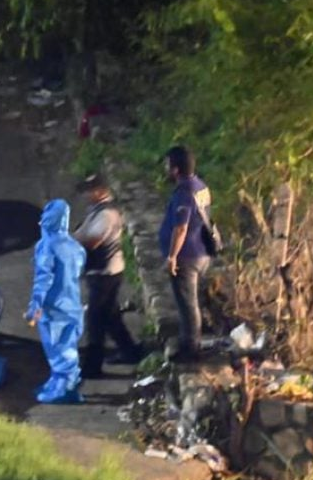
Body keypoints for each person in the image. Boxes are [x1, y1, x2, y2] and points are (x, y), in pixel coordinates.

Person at [73, 174, 143, 377]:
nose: (86, 194)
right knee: (110, 316)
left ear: (100, 191)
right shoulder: (98, 211)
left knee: (95, 320)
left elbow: (93, 241)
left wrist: (69, 242)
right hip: (107, 271)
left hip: (104, 273)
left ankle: (92, 366)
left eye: (89, 190)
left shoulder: (106, 215)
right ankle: (130, 351)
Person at [26, 199, 87, 403]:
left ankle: (63, 389)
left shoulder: (47, 246)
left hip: (53, 307)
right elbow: (78, 270)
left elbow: (44, 277)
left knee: (57, 349)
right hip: (73, 305)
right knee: (68, 346)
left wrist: (35, 304)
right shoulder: (75, 247)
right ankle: (60, 382)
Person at [159, 146, 214, 362]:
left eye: (167, 165)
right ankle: (190, 342)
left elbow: (181, 228)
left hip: (187, 255)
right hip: (201, 251)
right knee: (191, 302)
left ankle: (190, 349)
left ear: (175, 169)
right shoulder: (201, 186)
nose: (165, 169)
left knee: (187, 304)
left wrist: (172, 256)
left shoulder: (184, 192)